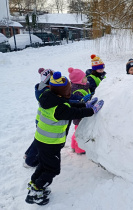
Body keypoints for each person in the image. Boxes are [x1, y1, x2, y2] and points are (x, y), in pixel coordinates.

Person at [25, 72, 104, 205]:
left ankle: (34, 184)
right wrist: (91, 110)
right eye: (68, 89)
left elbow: (69, 104)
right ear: (63, 91)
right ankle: (37, 191)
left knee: (44, 165)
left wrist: (85, 104)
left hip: (41, 140)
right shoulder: (58, 108)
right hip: (50, 144)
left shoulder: (49, 98)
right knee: (52, 169)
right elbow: (73, 112)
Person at [24, 68, 55, 168]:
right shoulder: (46, 92)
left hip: (41, 118)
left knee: (38, 138)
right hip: (43, 120)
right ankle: (30, 161)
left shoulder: (42, 87)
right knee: (40, 141)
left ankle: (28, 153)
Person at [68, 67, 91, 154]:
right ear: (79, 81)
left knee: (77, 131)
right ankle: (80, 150)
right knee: (80, 133)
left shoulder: (83, 86)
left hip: (81, 115)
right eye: (84, 77)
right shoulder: (77, 91)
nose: (86, 78)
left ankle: (73, 146)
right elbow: (78, 105)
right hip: (79, 116)